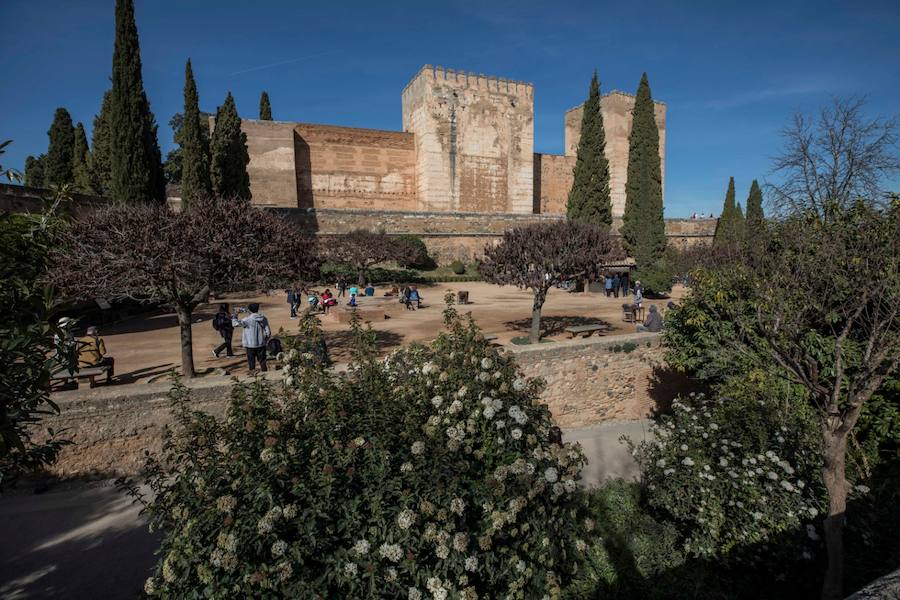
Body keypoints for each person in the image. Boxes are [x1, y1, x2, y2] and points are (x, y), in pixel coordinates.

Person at [233, 302, 271, 372]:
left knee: (251, 364)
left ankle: (254, 377)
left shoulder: (247, 320)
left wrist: (235, 314)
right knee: (263, 362)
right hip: (261, 344)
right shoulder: (263, 318)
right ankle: (265, 375)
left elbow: (234, 324)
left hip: (250, 345)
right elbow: (268, 332)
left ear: (250, 310)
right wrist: (264, 341)